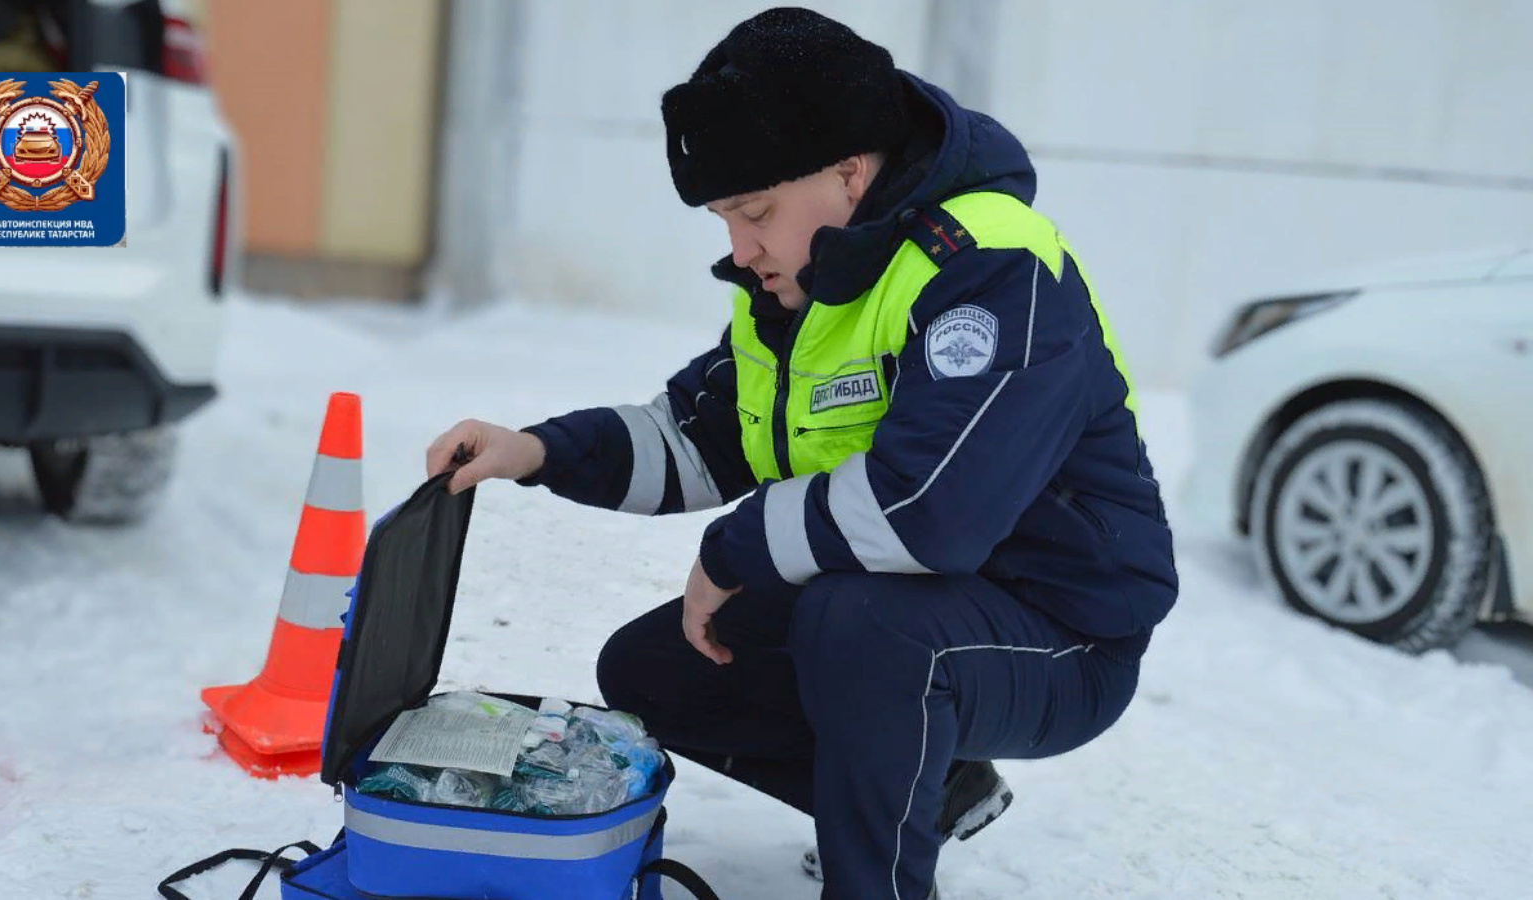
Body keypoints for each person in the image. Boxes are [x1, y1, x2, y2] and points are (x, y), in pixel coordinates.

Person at [426, 7, 1179, 898]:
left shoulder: (992, 267)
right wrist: (536, 451)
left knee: (861, 627)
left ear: (850, 173)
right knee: (657, 670)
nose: (740, 249)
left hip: (1063, 634)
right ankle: (929, 789)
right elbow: (699, 438)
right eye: (724, 219)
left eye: (755, 213)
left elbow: (931, 511)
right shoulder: (805, 288)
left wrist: (733, 546)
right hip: (918, 608)